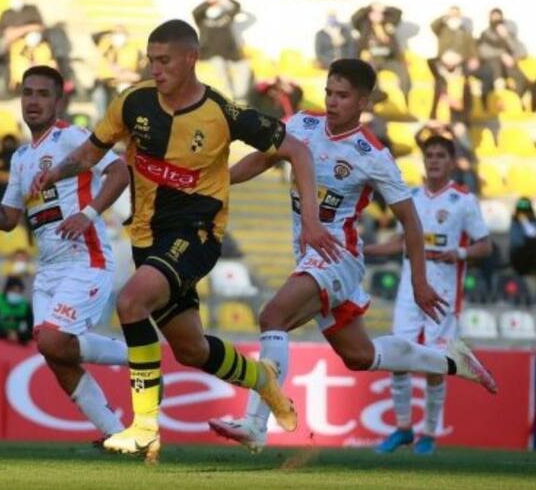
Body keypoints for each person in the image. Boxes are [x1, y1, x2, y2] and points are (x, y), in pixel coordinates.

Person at [30, 19, 338, 460]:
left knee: (131, 302)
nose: (155, 69)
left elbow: (298, 151)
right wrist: (55, 172)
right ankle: (261, 379)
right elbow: (89, 154)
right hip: (147, 237)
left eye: (164, 61)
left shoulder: (221, 113)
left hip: (197, 234)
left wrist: (310, 219)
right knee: (191, 349)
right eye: (151, 60)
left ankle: (143, 426)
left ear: (191, 58)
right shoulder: (133, 101)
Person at [208, 58, 498, 453]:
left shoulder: (373, 155)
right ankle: (451, 362)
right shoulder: (301, 126)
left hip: (337, 257)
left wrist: (418, 282)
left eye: (342, 95)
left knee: (272, 316)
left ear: (363, 100)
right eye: (329, 92)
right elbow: (261, 160)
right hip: (310, 256)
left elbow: (411, 222)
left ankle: (257, 423)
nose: (332, 101)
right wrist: (216, 181)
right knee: (361, 356)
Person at [0, 65, 132, 443]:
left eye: (43, 94)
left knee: (51, 340)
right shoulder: (20, 158)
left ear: (58, 100)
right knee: (55, 354)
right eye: (28, 93)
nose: (33, 101)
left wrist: (88, 213)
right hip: (48, 269)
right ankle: (115, 434)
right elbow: (8, 218)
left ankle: (141, 355)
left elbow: (120, 172)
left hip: (85, 257)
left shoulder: (74, 138)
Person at [364, 134, 491, 455]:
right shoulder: (412, 197)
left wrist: (460, 254)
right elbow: (400, 242)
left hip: (444, 292)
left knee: (436, 362)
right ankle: (403, 428)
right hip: (410, 290)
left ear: (451, 161)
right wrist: (363, 249)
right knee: (397, 358)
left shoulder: (463, 201)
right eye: (429, 155)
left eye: (440, 155)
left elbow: (485, 245)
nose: (434, 160)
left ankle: (430, 434)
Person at [192, 0, 252, 104]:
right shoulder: (202, 20)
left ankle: (239, 98)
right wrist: (209, 2)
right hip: (211, 55)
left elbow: (237, 7)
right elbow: (196, 11)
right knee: (220, 69)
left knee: (244, 69)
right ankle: (226, 100)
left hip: (231, 54)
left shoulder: (226, 17)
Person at [352, 3, 411, 96]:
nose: (377, 16)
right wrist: (370, 7)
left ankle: (405, 95)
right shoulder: (364, 26)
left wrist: (383, 8)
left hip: (388, 59)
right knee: (369, 72)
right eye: (374, 14)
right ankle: (375, 95)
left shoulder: (388, 25)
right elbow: (355, 17)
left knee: (402, 72)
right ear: (369, 15)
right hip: (371, 59)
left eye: (379, 14)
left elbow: (398, 13)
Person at [91, 26, 145, 121]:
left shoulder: (133, 50)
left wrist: (123, 75)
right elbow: (94, 36)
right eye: (115, 34)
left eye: (120, 34)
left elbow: (139, 72)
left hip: (123, 84)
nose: (117, 37)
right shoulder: (106, 46)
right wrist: (108, 30)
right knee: (100, 110)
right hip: (103, 84)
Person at [477, 8, 528, 97]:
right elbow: (483, 51)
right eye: (493, 17)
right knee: (493, 65)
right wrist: (502, 54)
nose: (496, 19)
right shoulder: (485, 34)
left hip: (509, 65)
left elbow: (522, 50)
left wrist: (506, 37)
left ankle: (519, 99)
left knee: (520, 76)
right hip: (494, 67)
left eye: (498, 17)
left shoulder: (509, 33)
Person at [0, 276, 34, 344]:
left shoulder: (25, 305)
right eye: (13, 291)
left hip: (16, 341)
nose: (16, 294)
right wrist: (7, 334)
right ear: (6, 290)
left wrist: (19, 335)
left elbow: (31, 330)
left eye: (19, 292)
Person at [509, 197, 536, 276]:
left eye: (526, 212)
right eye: (521, 212)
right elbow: (516, 242)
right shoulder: (515, 223)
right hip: (520, 259)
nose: (523, 214)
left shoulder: (533, 222)